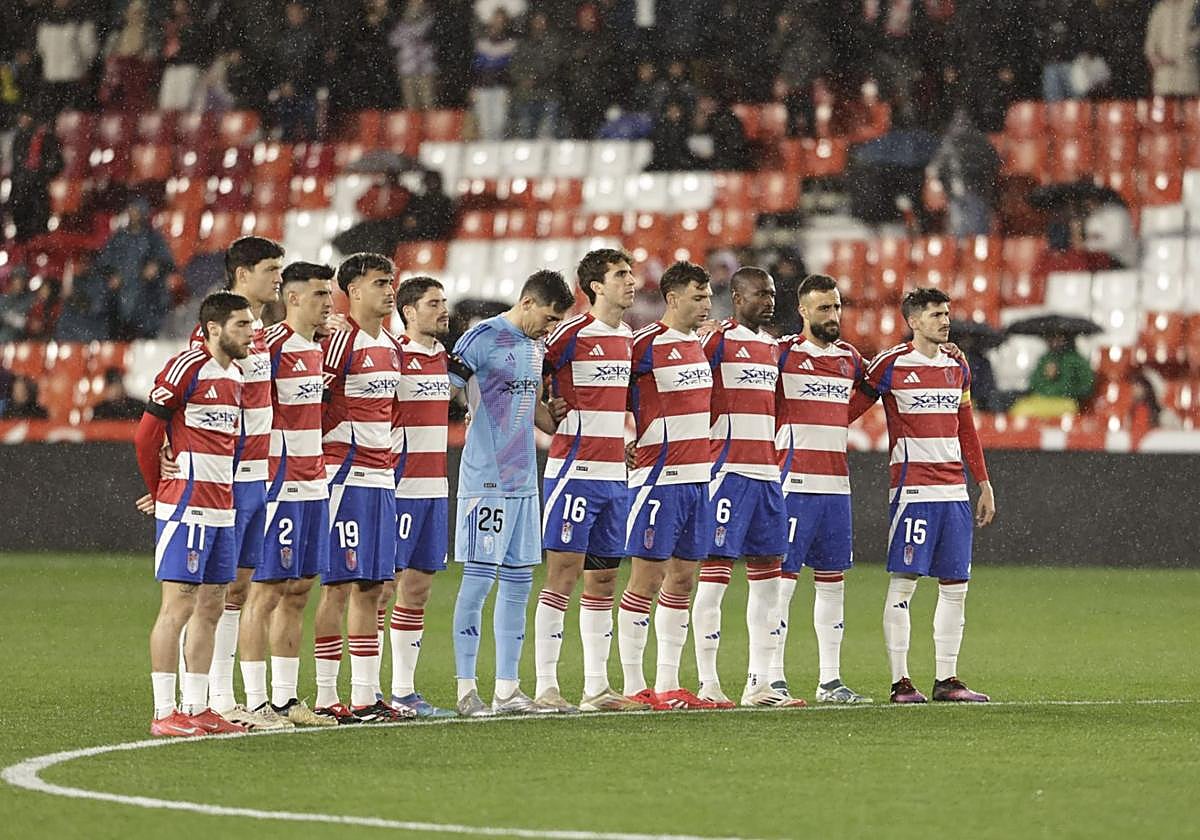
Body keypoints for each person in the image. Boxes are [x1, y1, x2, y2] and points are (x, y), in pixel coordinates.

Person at [849, 287, 996, 704]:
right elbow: (843, 410)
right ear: (913, 321)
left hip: (954, 493)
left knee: (956, 587)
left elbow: (966, 428)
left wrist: (982, 482)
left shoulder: (956, 367)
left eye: (946, 313)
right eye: (935, 314)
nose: (945, 320)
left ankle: (947, 679)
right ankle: (900, 682)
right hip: (914, 491)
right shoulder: (891, 366)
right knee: (905, 583)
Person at [448, 269, 573, 716]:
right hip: (485, 479)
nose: (550, 326)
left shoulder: (535, 346)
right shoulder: (481, 337)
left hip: (523, 480)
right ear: (527, 302)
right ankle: (466, 691)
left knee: (519, 583)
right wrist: (466, 411)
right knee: (479, 581)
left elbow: (535, 413)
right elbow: (445, 388)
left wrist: (551, 414)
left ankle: (507, 690)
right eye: (549, 316)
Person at [133, 291, 254, 736]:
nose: (250, 332)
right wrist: (160, 490)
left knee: (212, 605)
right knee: (178, 605)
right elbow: (147, 437)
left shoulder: (237, 375)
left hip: (223, 506)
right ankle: (165, 713)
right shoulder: (187, 367)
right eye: (242, 325)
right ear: (215, 328)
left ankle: (197, 706)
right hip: (188, 505)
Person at [174, 237, 283, 725]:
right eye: (270, 269)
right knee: (207, 591)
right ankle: (199, 699)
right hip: (223, 478)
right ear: (243, 273)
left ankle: (223, 698)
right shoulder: (216, 336)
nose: (277, 278)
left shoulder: (265, 333)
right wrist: (173, 468)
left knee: (236, 589)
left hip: (259, 474)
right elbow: (185, 401)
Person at [535, 248, 649, 713]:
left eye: (631, 274)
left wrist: (618, 446)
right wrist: (546, 415)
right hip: (574, 474)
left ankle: (597, 689)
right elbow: (526, 375)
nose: (632, 282)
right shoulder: (569, 334)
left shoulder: (629, 337)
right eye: (621, 275)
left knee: (603, 580)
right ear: (595, 285)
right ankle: (545, 687)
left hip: (613, 476)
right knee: (562, 575)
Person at [690, 267, 802, 709]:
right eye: (759, 294)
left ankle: (759, 684)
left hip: (767, 476)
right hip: (727, 473)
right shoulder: (718, 340)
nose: (769, 301)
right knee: (714, 581)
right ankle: (708, 682)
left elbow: (777, 409)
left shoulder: (772, 347)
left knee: (768, 584)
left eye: (772, 294)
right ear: (736, 297)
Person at [235, 261, 339, 729]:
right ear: (293, 298)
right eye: (319, 294)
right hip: (278, 481)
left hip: (314, 481)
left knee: (298, 591)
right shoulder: (269, 346)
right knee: (265, 589)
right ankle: (254, 700)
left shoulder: (316, 350)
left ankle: (285, 699)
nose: (328, 303)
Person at [617, 261, 718, 711]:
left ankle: (670, 684)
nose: (706, 304)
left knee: (682, 580)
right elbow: (605, 393)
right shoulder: (644, 345)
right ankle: (634, 685)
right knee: (647, 578)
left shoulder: (700, 345)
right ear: (673, 298)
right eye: (698, 296)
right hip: (659, 479)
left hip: (699, 479)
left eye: (709, 296)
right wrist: (621, 439)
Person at [312, 253, 408, 723]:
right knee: (338, 584)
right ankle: (327, 695)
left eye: (391, 282)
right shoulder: (339, 340)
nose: (390, 291)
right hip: (344, 475)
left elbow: (392, 414)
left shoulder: (392, 344)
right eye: (379, 283)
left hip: (380, 476)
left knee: (376, 585)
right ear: (352, 291)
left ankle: (367, 696)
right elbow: (315, 403)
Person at [772, 274, 873, 705]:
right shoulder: (782, 354)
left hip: (836, 486)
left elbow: (875, 386)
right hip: (793, 483)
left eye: (836, 307)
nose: (833, 316)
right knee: (782, 582)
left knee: (833, 582)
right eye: (824, 309)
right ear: (803, 311)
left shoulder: (849, 358)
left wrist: (838, 416)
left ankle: (830, 681)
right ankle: (770, 677)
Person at [377, 276, 456, 718]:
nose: (443, 309)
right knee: (381, 590)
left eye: (443, 302)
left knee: (419, 590)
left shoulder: (440, 356)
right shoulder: (393, 355)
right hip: (399, 488)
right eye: (433, 303)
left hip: (433, 488)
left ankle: (404, 692)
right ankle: (365, 690)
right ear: (408, 311)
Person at [89, 199, 175, 340]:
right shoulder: (119, 237)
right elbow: (103, 263)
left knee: (148, 322)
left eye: (137, 211)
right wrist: (111, 275)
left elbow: (167, 262)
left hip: (146, 293)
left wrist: (156, 265)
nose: (133, 214)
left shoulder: (153, 238)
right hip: (121, 293)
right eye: (131, 210)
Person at [8, 109, 63, 243]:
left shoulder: (50, 140)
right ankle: (22, 240)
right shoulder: (22, 137)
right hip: (23, 181)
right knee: (21, 211)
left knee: (38, 211)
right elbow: (16, 160)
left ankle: (38, 241)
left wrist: (46, 171)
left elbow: (58, 162)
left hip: (40, 181)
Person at [1011, 331, 1096, 417]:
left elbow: (1085, 387)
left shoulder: (1077, 360)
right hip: (1041, 400)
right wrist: (1046, 377)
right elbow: (1034, 383)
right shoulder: (1045, 358)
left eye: (1058, 337)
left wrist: (1062, 382)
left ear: (1067, 338)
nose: (1053, 341)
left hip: (1065, 402)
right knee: (1020, 409)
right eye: (1050, 337)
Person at [470, 9, 516, 141]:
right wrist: (473, 86)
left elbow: (511, 69)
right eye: (496, 19)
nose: (498, 23)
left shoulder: (511, 43)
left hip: (501, 88)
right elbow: (475, 68)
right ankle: (487, 155)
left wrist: (510, 88)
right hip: (483, 88)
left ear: (505, 22)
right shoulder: (481, 43)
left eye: (501, 20)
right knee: (485, 126)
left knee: (499, 124)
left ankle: (497, 154)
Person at [1144, 0, 1200, 96]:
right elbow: (1151, 44)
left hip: (1190, 78)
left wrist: (1187, 46)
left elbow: (1196, 35)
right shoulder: (1160, 9)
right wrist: (1157, 60)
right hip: (1164, 81)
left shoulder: (1194, 6)